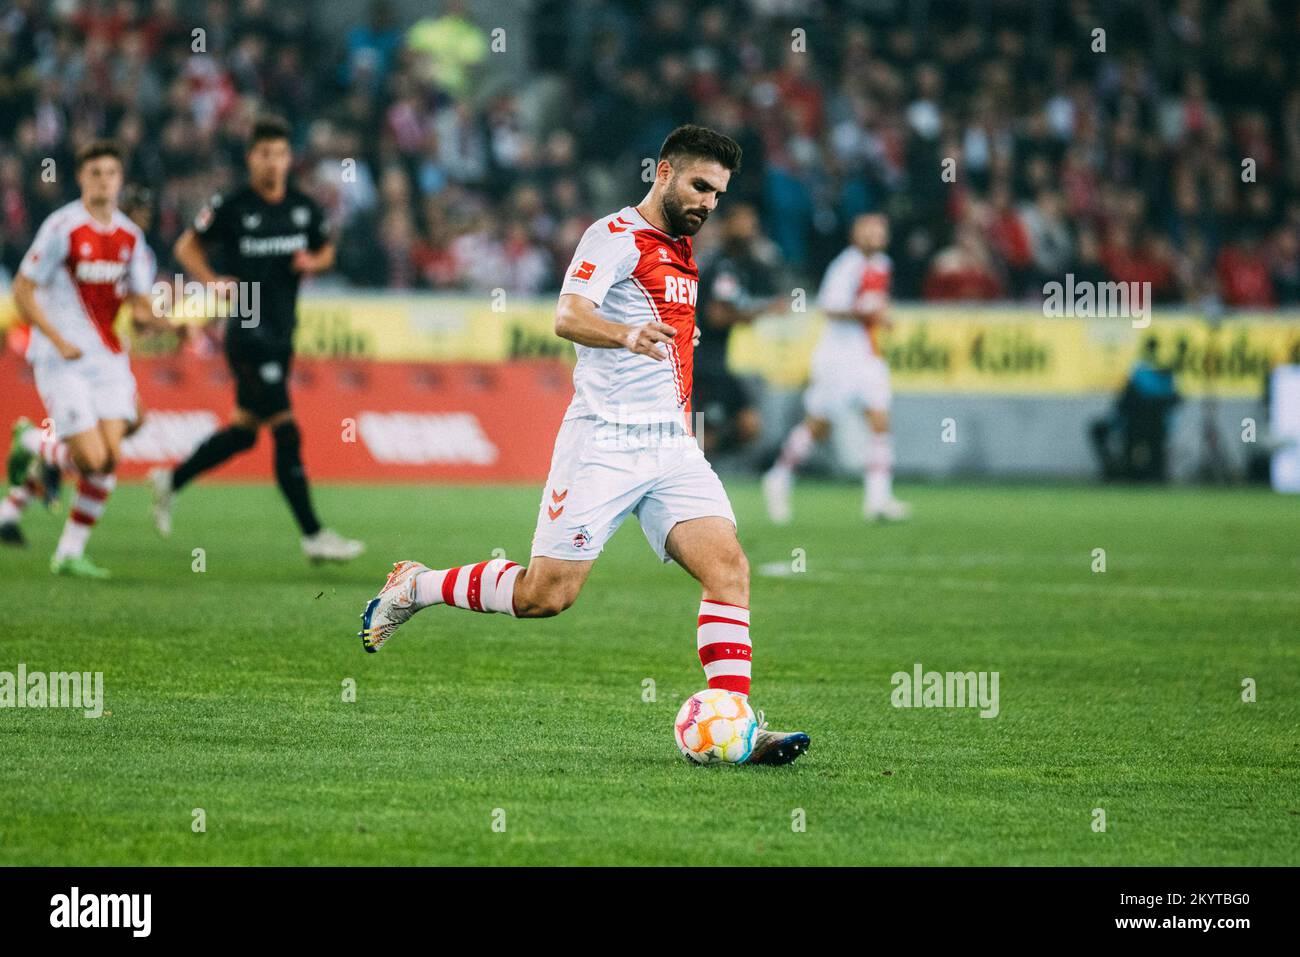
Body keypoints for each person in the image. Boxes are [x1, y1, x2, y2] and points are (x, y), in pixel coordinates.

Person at [356, 125, 808, 765]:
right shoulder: (615, 237)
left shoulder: (683, 251)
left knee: (729, 571)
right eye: (700, 186)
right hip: (603, 444)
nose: (708, 203)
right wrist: (626, 336)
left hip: (671, 446)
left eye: (719, 194)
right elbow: (567, 315)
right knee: (547, 596)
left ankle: (736, 724)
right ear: (665, 172)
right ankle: (416, 585)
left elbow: (670, 330)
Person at [148, 116, 363, 563]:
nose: (272, 162)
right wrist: (213, 280)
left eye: (279, 153)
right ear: (251, 158)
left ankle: (171, 480)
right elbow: (186, 246)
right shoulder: (232, 205)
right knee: (286, 429)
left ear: (288, 158)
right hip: (246, 326)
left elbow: (327, 250)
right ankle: (313, 534)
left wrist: (314, 261)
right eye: (263, 153)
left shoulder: (303, 208)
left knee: (245, 432)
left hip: (283, 330)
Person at [2, 142, 162, 575]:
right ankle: (32, 443)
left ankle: (69, 552)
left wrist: (168, 324)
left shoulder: (131, 236)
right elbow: (22, 288)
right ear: (81, 178)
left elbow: (142, 309)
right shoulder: (63, 227)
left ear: (120, 179)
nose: (103, 180)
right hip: (62, 358)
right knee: (91, 460)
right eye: (95, 173)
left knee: (110, 458)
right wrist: (55, 337)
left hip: (108, 360)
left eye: (111, 173)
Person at [763, 212, 910, 523]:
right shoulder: (846, 266)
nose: (875, 234)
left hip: (868, 356)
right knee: (819, 425)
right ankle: (779, 476)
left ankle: (878, 499)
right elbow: (830, 308)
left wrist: (882, 316)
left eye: (879, 229)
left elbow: (877, 305)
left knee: (881, 420)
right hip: (838, 358)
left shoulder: (883, 265)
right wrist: (864, 311)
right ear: (855, 235)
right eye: (868, 229)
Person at [692, 202, 780, 457]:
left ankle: (710, 463)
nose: (749, 229)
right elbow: (716, 316)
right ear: (727, 225)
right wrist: (760, 312)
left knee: (749, 424)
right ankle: (695, 477)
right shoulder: (718, 265)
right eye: (743, 223)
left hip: (723, 362)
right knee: (705, 433)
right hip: (704, 362)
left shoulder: (742, 265)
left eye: (752, 224)